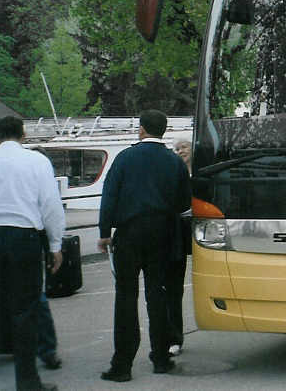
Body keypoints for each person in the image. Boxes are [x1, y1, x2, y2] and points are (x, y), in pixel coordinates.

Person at [98, 110, 192, 382]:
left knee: (126, 297)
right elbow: (184, 204)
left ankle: (122, 364)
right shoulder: (174, 162)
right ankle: (161, 357)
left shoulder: (124, 158)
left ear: (141, 130)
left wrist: (105, 232)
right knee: (158, 295)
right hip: (163, 233)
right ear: (162, 131)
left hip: (129, 234)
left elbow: (110, 194)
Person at [0, 115, 65, 391]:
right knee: (25, 309)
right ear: (23, 136)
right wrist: (55, 245)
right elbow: (50, 205)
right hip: (23, 235)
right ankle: (28, 381)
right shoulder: (36, 162)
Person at [167, 139, 193, 357]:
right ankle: (174, 338)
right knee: (173, 287)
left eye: (183, 147)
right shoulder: (172, 172)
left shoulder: (203, 171)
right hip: (178, 232)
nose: (180, 151)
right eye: (176, 149)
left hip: (203, 229)